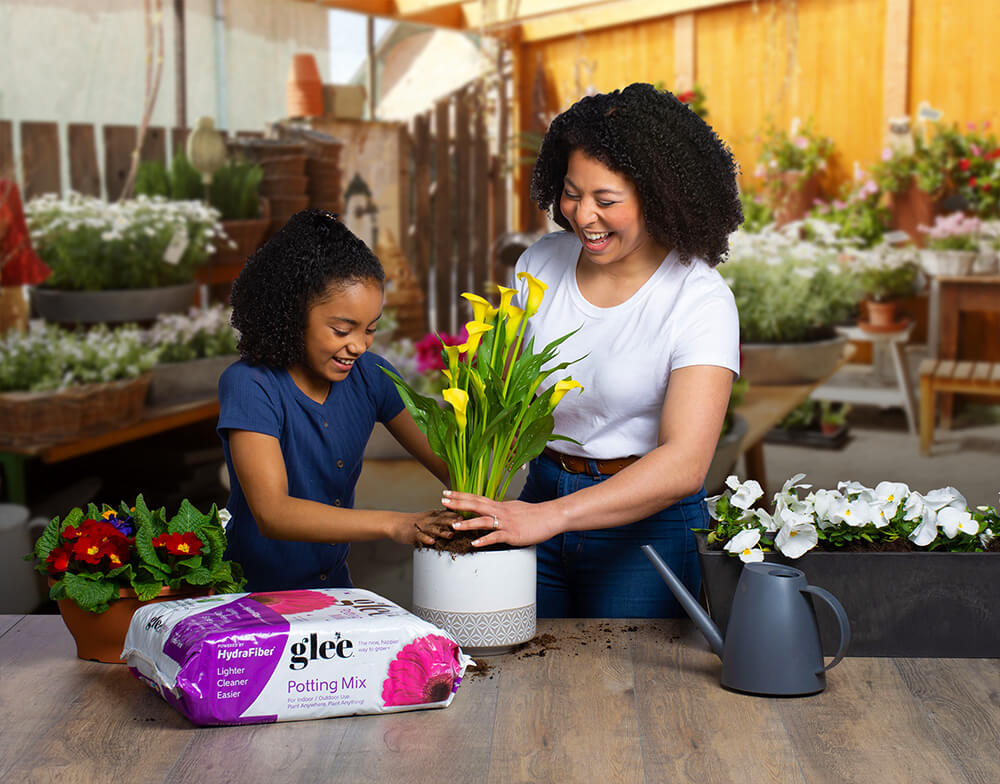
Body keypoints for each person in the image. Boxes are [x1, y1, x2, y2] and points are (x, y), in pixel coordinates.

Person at [440, 83, 743, 618]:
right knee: (523, 678)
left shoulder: (699, 299)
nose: (583, 217)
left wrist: (552, 517)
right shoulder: (541, 264)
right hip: (541, 492)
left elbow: (685, 464)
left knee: (625, 692)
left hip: (646, 524)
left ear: (659, 196)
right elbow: (505, 400)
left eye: (606, 201)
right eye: (573, 194)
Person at [218, 208, 454, 592]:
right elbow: (272, 512)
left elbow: (449, 462)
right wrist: (396, 523)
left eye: (371, 329)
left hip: (334, 593)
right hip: (252, 598)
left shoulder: (371, 376)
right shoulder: (250, 385)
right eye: (342, 330)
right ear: (293, 314)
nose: (358, 346)